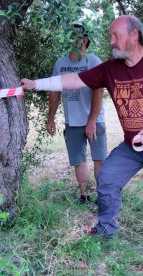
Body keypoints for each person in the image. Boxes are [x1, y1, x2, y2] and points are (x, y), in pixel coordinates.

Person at [21, 15, 143, 268]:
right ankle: (106, 227)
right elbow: (74, 80)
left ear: (134, 35)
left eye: (116, 36)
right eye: (110, 36)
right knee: (107, 180)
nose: (110, 41)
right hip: (133, 146)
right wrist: (37, 84)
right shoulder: (110, 69)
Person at [47, 24, 107, 204]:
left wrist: (92, 120)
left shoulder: (93, 61)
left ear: (85, 41)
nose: (73, 39)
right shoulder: (61, 64)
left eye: (77, 36)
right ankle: (85, 196)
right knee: (78, 160)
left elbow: (99, 90)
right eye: (71, 35)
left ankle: (104, 196)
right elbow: (54, 91)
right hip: (72, 122)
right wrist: (50, 118)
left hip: (95, 120)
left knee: (99, 159)